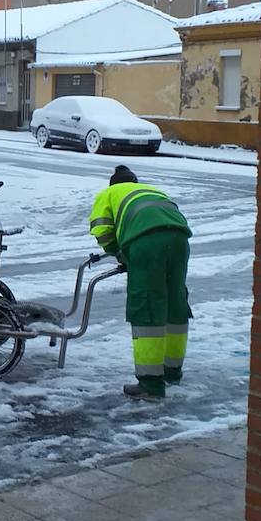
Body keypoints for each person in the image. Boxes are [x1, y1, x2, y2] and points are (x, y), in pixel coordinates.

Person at [89, 165, 192, 403]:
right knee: (175, 302)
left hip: (146, 243)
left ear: (112, 184)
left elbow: (102, 230)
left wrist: (119, 253)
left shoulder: (109, 194)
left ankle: (150, 384)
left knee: (146, 306)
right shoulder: (152, 191)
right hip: (179, 240)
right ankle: (172, 372)